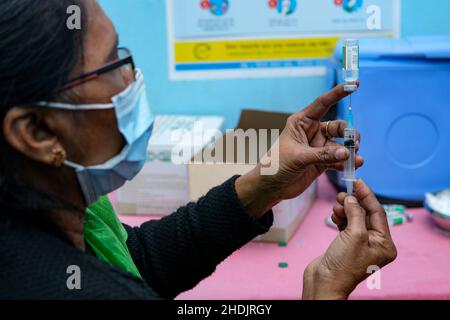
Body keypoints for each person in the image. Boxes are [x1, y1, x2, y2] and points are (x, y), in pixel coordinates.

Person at [0, 0, 396, 300]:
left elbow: (135, 264)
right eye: (109, 66)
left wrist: (264, 185)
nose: (132, 78)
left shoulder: (68, 220)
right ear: (35, 131)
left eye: (124, 55)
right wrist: (324, 287)